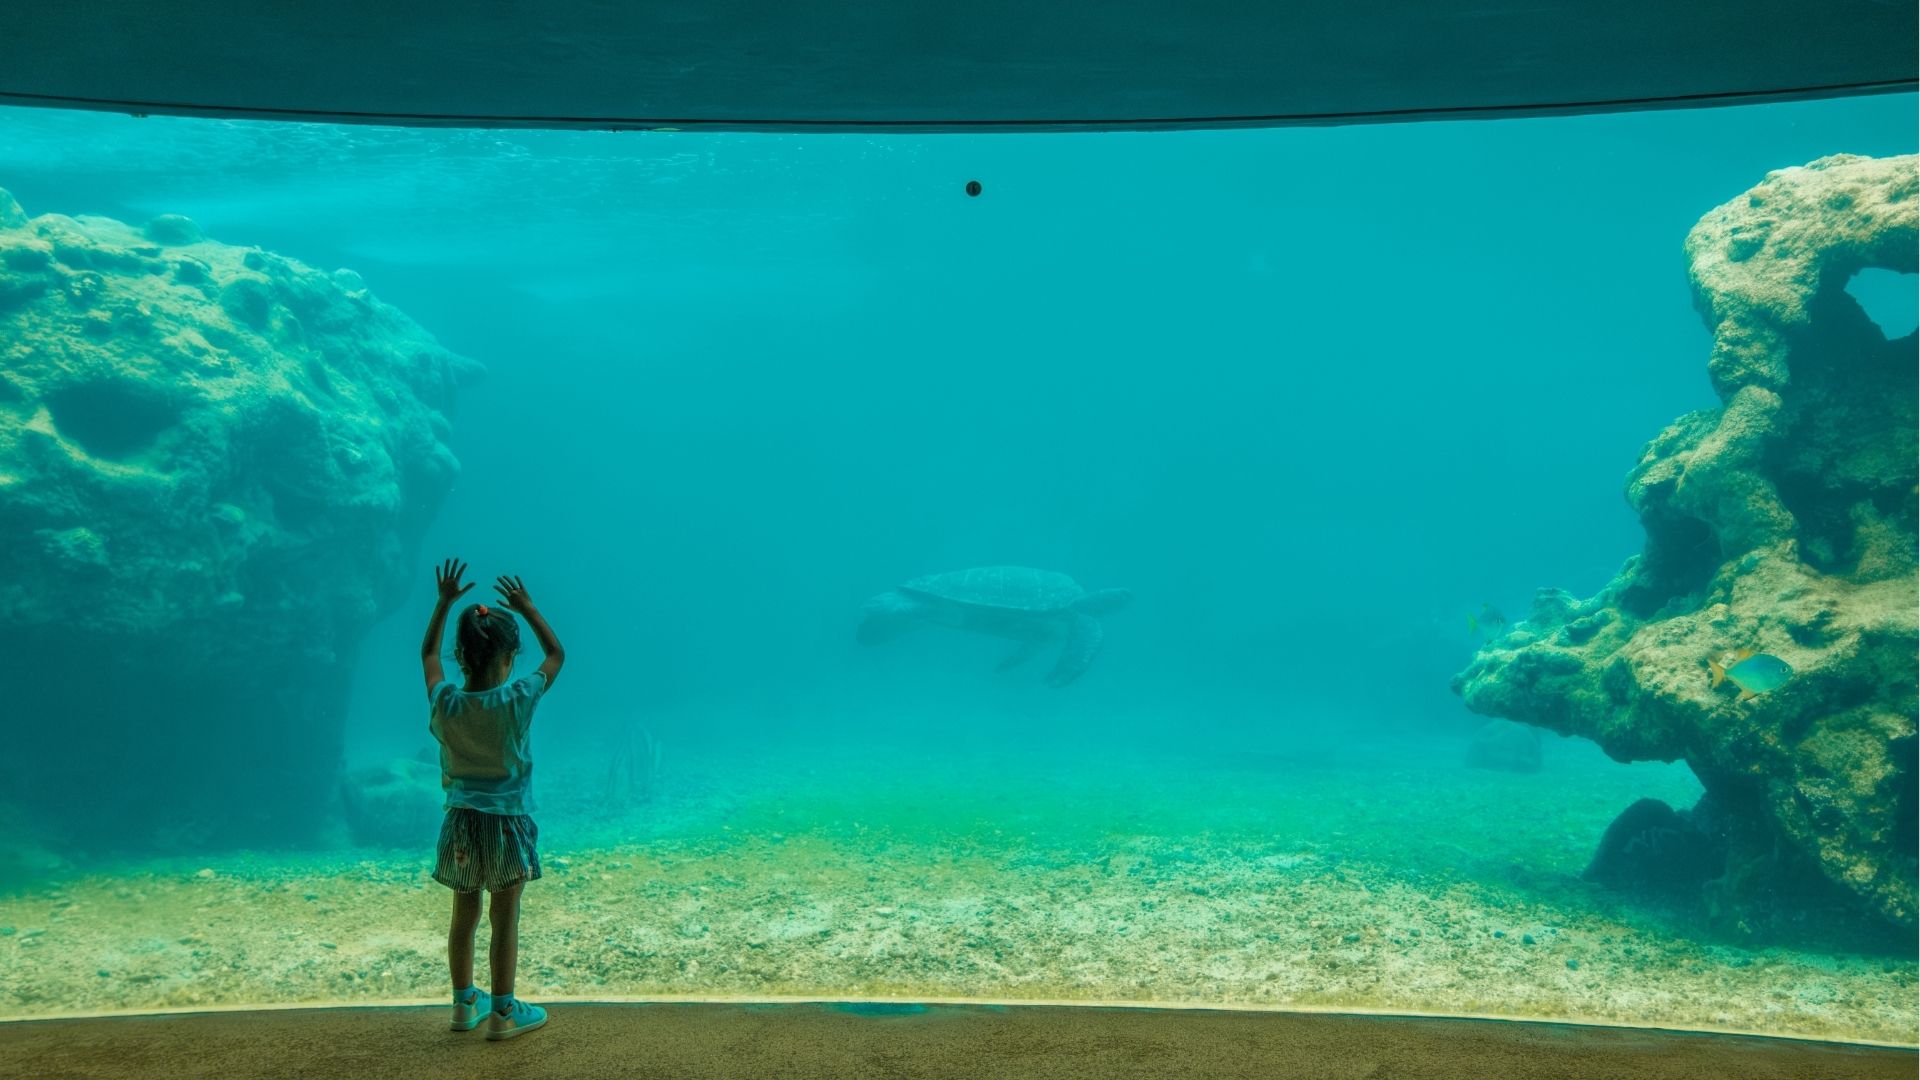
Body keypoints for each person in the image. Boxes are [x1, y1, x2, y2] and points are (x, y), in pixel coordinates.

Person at [420, 558, 565, 1040]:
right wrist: (527, 608)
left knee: (464, 915)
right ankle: (502, 1012)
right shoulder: (518, 698)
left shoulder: (446, 703)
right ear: (508, 658)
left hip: (460, 823)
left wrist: (443, 604)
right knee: (505, 918)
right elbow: (556, 655)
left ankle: (464, 1005)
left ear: (461, 655)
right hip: (507, 823)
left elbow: (427, 657)